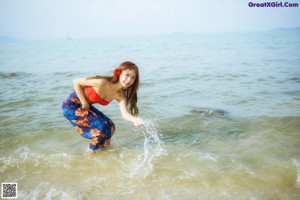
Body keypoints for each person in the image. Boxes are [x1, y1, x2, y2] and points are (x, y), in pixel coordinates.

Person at [62, 61, 144, 153]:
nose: (129, 80)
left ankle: (103, 151)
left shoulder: (120, 95)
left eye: (133, 78)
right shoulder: (102, 83)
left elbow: (125, 114)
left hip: (85, 107)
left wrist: (134, 119)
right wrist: (84, 102)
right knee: (102, 128)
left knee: (111, 126)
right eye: (127, 75)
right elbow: (76, 82)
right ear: (119, 73)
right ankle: (89, 153)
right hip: (71, 106)